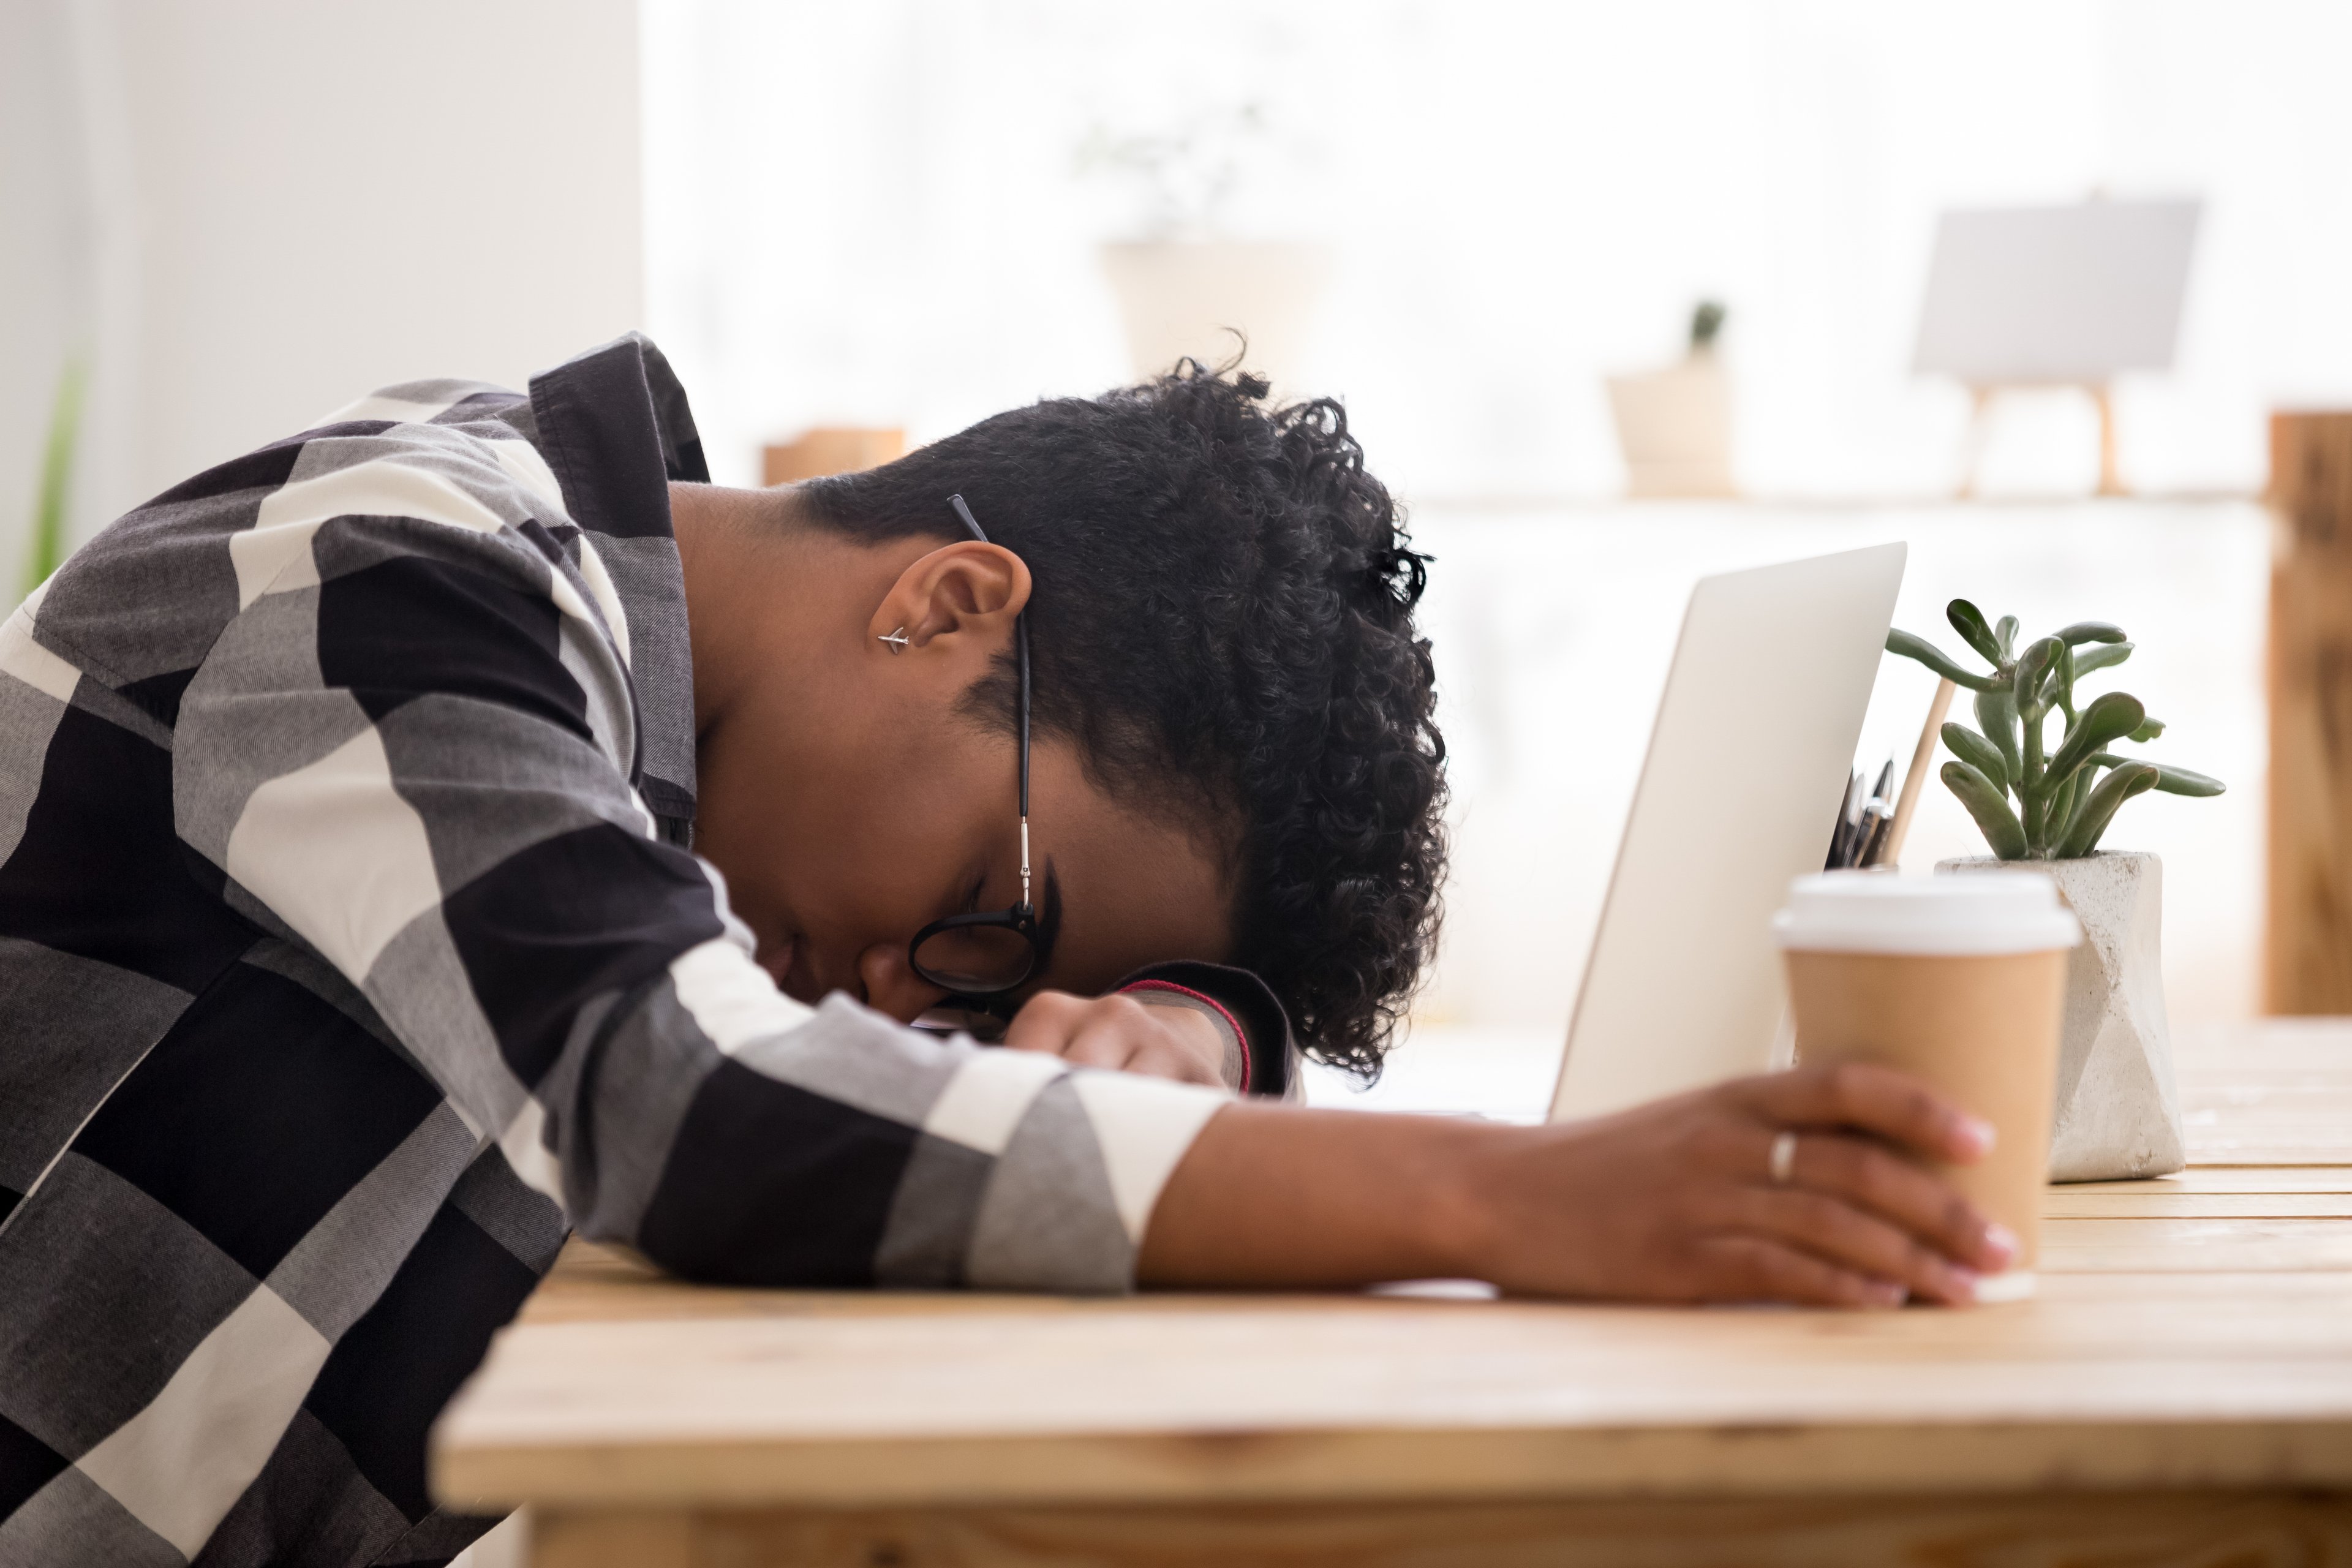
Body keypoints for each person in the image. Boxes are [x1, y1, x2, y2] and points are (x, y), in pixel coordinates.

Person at [0, 336, 2012, 1566]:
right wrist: (1512, 1194)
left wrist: (1178, 1021)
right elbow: (672, 1098)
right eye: (997, 919)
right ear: (950, 602)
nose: (912, 1004)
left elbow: (1107, 1024)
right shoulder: (394, 573)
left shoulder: (679, 763)